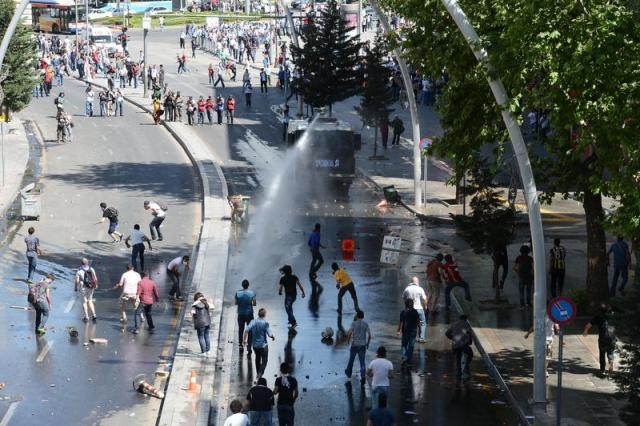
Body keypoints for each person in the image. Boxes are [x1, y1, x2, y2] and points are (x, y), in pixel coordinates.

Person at [583, 303, 616, 375]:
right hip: (612, 338)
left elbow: (589, 325)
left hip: (603, 338)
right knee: (610, 352)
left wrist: (585, 331)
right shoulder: (613, 316)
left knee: (602, 353)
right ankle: (611, 363)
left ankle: (602, 370)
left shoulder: (597, 317)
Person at [244, 308, 275, 379]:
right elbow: (269, 334)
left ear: (258, 314)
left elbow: (246, 330)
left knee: (257, 359)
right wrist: (273, 337)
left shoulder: (253, 322)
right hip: (263, 345)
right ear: (264, 315)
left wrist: (244, 340)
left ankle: (258, 374)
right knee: (265, 360)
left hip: (255, 345)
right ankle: (260, 374)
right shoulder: (265, 323)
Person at [345, 310, 371, 385]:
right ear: (363, 316)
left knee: (351, 360)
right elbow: (369, 335)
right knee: (362, 362)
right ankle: (363, 376)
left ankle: (348, 373)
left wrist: (348, 341)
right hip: (362, 345)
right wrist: (368, 344)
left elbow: (349, 333)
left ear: (357, 316)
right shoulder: (365, 324)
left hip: (354, 345)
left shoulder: (353, 323)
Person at [445, 314, 474, 385]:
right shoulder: (467, 324)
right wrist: (469, 343)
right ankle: (466, 368)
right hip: (464, 345)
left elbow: (447, 333)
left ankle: (459, 372)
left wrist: (453, 338)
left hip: (455, 346)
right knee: (470, 354)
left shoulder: (454, 324)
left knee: (458, 357)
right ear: (466, 319)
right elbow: (469, 336)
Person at [397, 299, 421, 367]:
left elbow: (401, 322)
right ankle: (408, 360)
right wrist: (420, 329)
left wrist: (398, 330)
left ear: (405, 304)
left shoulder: (403, 312)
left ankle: (404, 358)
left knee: (404, 345)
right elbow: (418, 321)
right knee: (411, 346)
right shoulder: (415, 312)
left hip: (405, 331)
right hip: (413, 331)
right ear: (412, 304)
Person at [402, 277, 427, 342]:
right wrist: (425, 306)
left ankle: (410, 337)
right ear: (417, 282)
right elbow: (424, 299)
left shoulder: (407, 289)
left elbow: (404, 298)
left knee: (410, 323)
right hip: (419, 308)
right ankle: (421, 338)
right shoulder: (420, 289)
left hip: (409, 310)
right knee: (423, 323)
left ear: (411, 282)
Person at [236, 279, 256, 354]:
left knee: (241, 330)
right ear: (248, 285)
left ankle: (241, 345)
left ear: (242, 285)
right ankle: (249, 346)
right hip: (249, 314)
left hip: (240, 313)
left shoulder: (238, 293)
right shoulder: (252, 293)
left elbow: (235, 302)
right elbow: (254, 303)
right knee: (250, 329)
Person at [74, 258, 98, 322]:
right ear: (87, 262)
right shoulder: (91, 269)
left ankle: (86, 316)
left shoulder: (79, 270)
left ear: (81, 263)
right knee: (90, 300)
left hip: (83, 287)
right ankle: (94, 315)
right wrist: (96, 285)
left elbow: (77, 281)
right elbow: (95, 278)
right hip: (91, 286)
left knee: (84, 302)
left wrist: (76, 287)